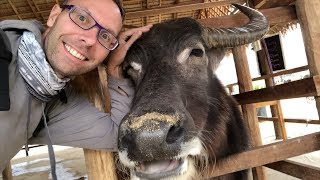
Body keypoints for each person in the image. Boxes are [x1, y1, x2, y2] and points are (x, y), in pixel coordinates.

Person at [0, 0, 152, 175]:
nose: (89, 40)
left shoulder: (54, 101)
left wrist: (114, 71)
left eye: (105, 36)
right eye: (82, 18)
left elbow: (117, 135)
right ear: (54, 16)